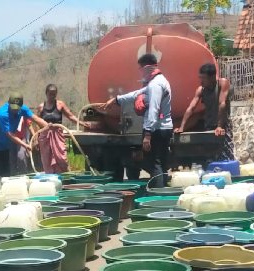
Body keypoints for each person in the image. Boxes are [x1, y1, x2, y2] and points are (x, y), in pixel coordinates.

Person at [102, 53, 173, 188]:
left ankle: (158, 194)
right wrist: (116, 100)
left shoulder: (155, 85)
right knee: (161, 163)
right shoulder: (160, 81)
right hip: (164, 127)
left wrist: (147, 134)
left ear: (147, 67)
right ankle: (163, 191)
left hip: (157, 129)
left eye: (140, 68)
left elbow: (154, 109)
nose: (140, 72)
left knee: (154, 163)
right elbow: (136, 94)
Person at [0, 92, 49, 178]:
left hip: (5, 143)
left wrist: (49, 126)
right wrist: (24, 145)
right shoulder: (3, 114)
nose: (15, 110)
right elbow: (9, 134)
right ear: (9, 103)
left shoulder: (23, 109)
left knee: (6, 172)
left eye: (17, 108)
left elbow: (35, 118)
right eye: (13, 107)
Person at [176, 63, 234, 161]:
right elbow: (191, 108)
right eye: (200, 78)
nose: (201, 81)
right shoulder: (200, 89)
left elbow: (222, 104)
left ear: (212, 77)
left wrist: (220, 126)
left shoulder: (222, 83)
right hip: (209, 124)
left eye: (204, 78)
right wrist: (182, 127)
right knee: (210, 153)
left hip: (223, 124)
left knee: (226, 152)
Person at [36, 84, 87, 174]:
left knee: (61, 158)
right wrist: (36, 138)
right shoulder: (41, 107)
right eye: (50, 94)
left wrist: (83, 123)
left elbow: (70, 116)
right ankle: (51, 179)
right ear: (46, 93)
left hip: (57, 135)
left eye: (54, 94)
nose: (52, 96)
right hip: (45, 136)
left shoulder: (60, 104)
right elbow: (36, 122)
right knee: (46, 160)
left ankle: (66, 176)